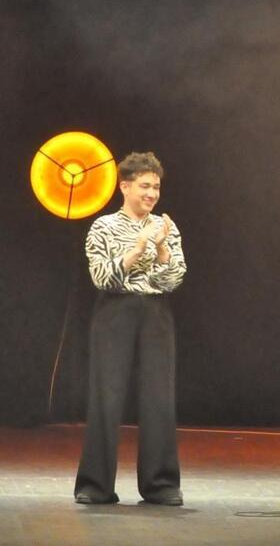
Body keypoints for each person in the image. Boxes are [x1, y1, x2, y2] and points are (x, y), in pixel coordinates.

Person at [74, 151, 187, 506]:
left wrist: (163, 250)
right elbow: (103, 277)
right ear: (125, 186)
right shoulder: (103, 227)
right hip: (115, 313)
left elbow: (175, 278)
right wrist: (137, 249)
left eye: (156, 187)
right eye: (144, 186)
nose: (151, 193)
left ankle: (161, 484)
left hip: (155, 313)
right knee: (107, 397)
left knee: (158, 397)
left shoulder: (167, 226)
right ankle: (95, 485)